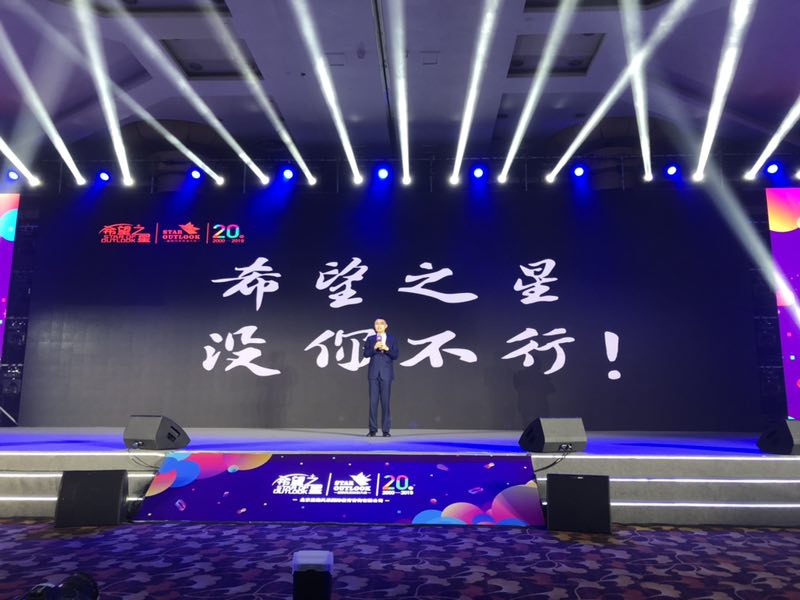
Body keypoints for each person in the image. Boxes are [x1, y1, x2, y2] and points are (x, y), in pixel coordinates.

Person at [363, 318, 399, 437]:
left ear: (386, 326)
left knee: (385, 403)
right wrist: (374, 348)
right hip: (373, 374)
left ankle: (386, 430)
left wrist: (387, 348)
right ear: (374, 326)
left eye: (381, 324)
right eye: (376, 324)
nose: (379, 326)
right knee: (373, 403)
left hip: (386, 374)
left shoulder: (392, 339)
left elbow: (395, 355)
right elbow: (365, 354)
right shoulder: (370, 339)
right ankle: (372, 430)